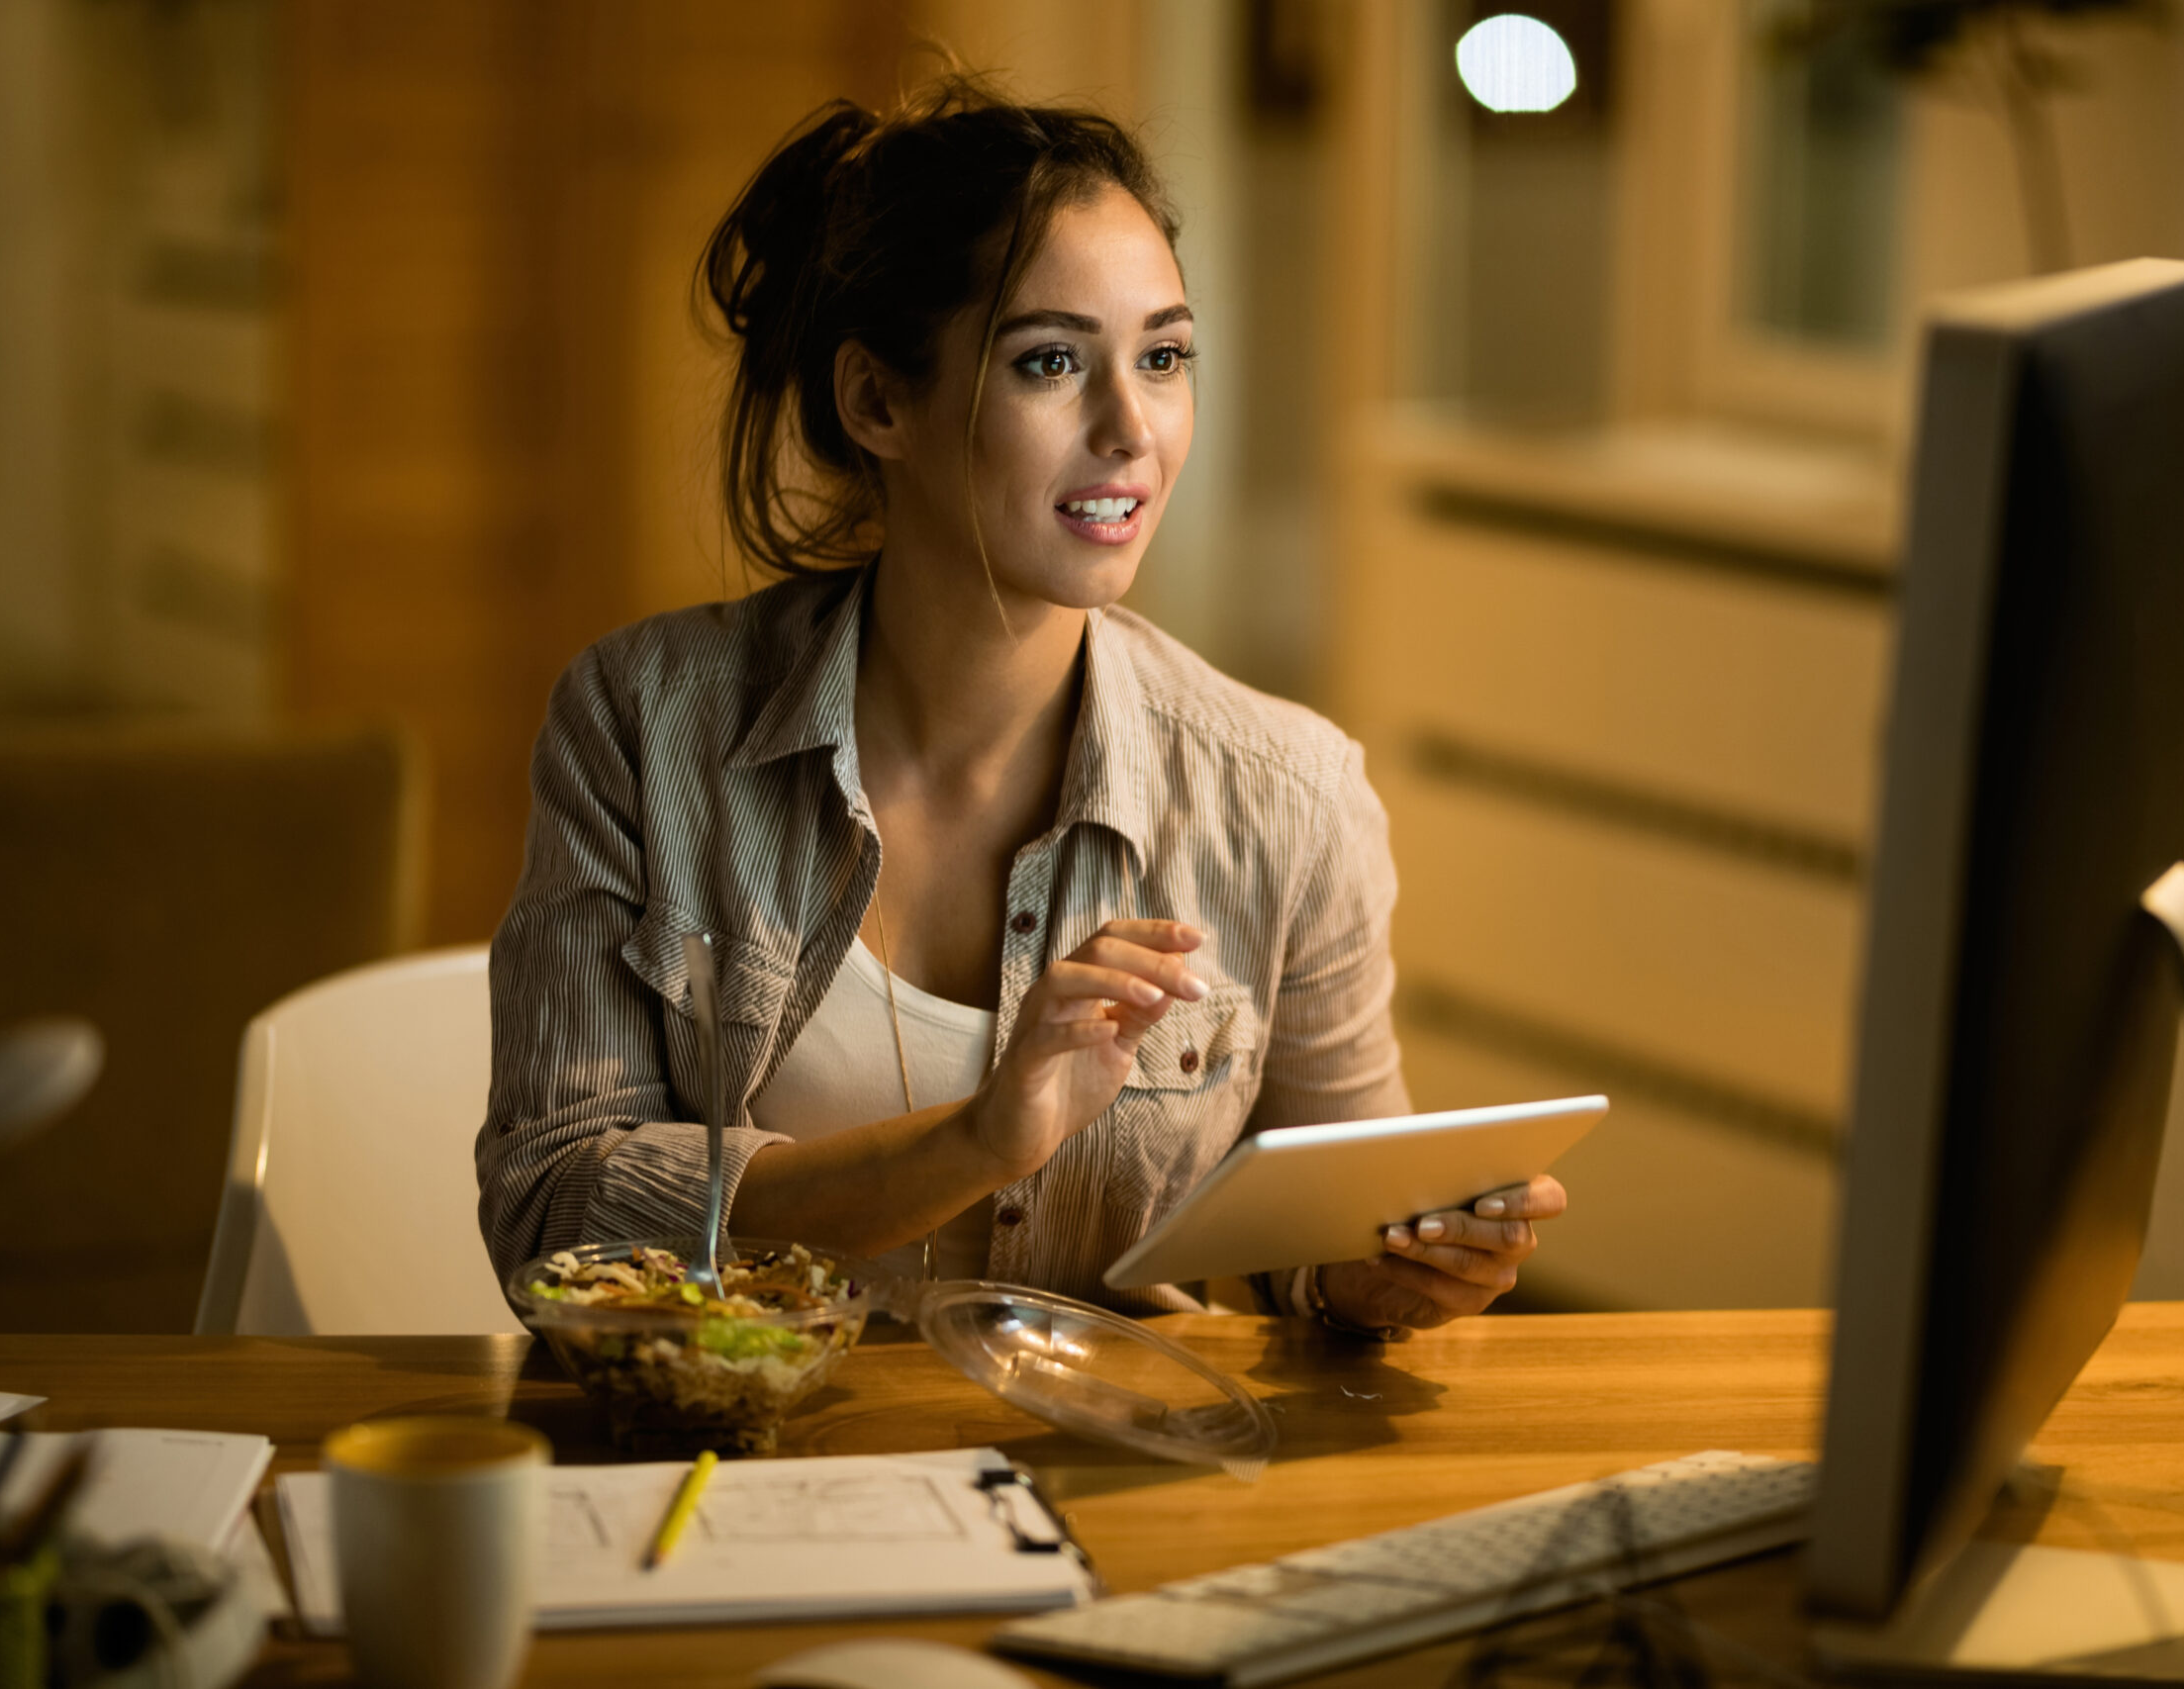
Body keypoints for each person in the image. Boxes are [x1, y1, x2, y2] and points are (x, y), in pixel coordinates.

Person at [476, 75, 1565, 1334]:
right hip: (730, 1456)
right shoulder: (644, 723)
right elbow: (553, 1207)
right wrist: (977, 1142)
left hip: (1096, 1473)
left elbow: (1323, 1240)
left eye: (1162, 358)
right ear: (878, 402)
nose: (1131, 430)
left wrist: (1391, 1272)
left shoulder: (1290, 793)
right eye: (1051, 361)